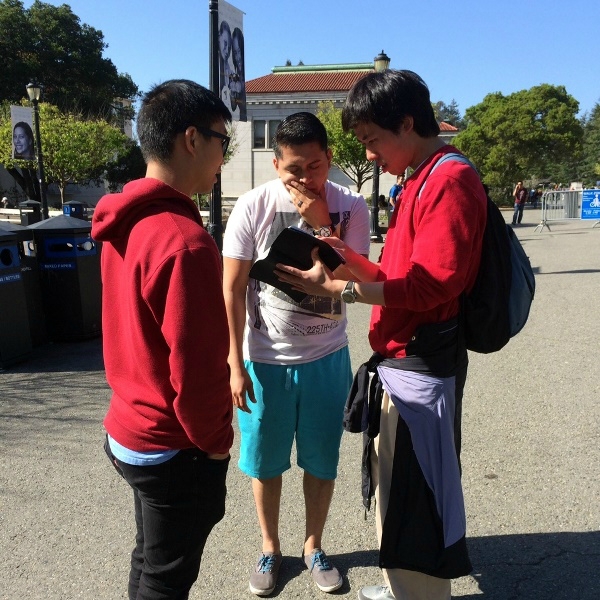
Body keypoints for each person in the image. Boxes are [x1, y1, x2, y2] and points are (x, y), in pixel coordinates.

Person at [274, 70, 487, 600]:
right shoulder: (419, 177)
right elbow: (391, 272)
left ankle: (419, 593)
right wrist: (337, 256)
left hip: (422, 363)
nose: (369, 156)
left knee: (419, 495)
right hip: (402, 362)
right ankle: (403, 586)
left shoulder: (449, 180)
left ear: (408, 124)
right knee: (398, 488)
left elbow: (432, 285)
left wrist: (339, 293)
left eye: (372, 140)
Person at [91, 80, 234, 600]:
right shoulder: (184, 243)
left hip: (127, 427)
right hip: (170, 443)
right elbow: (197, 374)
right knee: (167, 578)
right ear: (191, 139)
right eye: (224, 139)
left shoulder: (123, 222)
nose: (224, 154)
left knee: (150, 560)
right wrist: (218, 446)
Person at [222, 111, 370, 596]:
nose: (305, 179)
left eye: (315, 166)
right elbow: (232, 287)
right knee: (265, 461)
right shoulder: (251, 206)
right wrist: (234, 363)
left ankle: (313, 545)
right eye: (294, 170)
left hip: (326, 356)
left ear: (329, 159)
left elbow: (357, 281)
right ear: (275, 164)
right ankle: (270, 546)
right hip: (265, 358)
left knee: (321, 459)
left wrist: (321, 223)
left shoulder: (353, 206)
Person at [230, 27, 247, 120]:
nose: (238, 57)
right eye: (235, 53)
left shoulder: (242, 80)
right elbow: (232, 107)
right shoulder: (232, 77)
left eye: (239, 52)